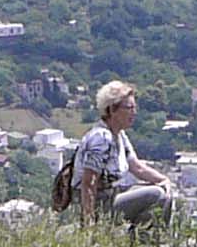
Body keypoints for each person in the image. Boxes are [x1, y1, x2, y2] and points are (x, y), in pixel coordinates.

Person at [75, 80, 179, 235]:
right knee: (157, 196)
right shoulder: (101, 138)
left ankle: (142, 238)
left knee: (164, 192)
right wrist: (89, 223)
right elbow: (88, 183)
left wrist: (163, 180)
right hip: (100, 205)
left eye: (134, 108)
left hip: (112, 196)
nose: (134, 112)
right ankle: (141, 240)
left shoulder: (119, 135)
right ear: (112, 110)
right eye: (129, 108)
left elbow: (136, 167)